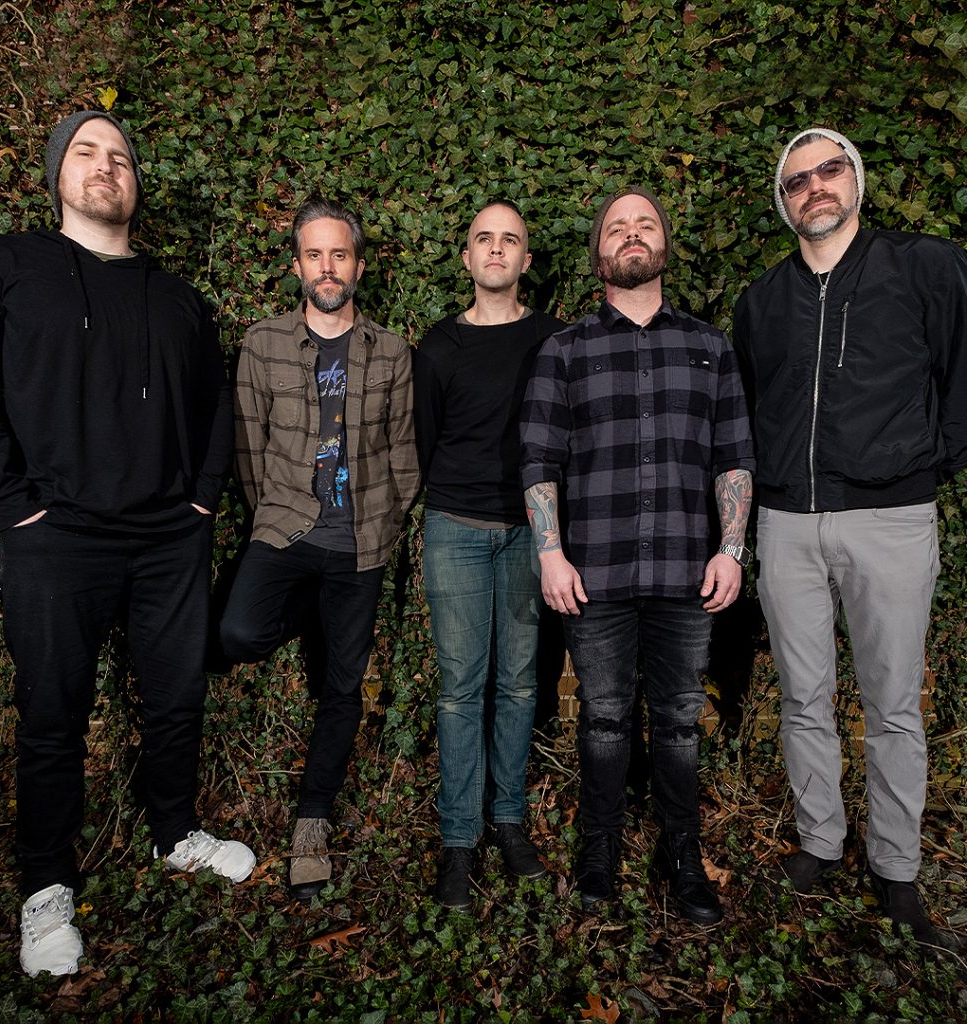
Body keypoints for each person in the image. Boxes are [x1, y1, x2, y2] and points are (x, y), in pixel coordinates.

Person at [0, 110, 255, 979]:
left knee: (177, 695)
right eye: (86, 151)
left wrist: (200, 504)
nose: (106, 166)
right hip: (55, 534)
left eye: (120, 156)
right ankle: (46, 887)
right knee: (52, 713)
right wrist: (13, 509)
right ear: (57, 174)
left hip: (168, 537)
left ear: (136, 183)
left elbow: (217, 406)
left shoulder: (179, 298)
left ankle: (174, 832)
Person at [733, 127, 967, 945]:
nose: (815, 187)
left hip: (889, 518)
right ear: (784, 202)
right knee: (803, 696)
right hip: (788, 522)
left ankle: (896, 868)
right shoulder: (762, 300)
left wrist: (931, 463)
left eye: (830, 169)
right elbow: (752, 403)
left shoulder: (924, 267)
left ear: (856, 180)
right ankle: (821, 841)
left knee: (893, 703)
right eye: (797, 180)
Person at [520, 187, 754, 923]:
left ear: (662, 245)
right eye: (617, 227)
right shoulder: (564, 350)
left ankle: (683, 856)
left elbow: (734, 458)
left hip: (687, 570)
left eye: (644, 224)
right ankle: (600, 849)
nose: (631, 234)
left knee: (680, 719)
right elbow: (539, 460)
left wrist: (732, 549)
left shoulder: (711, 347)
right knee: (604, 716)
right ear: (599, 254)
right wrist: (551, 554)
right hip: (596, 571)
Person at [220, 195, 419, 902]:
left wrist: (387, 525)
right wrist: (271, 517)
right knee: (238, 633)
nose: (327, 267)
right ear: (297, 265)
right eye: (315, 255)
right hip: (285, 531)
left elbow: (404, 452)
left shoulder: (391, 351)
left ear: (358, 266)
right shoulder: (262, 343)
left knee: (342, 685)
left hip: (361, 544)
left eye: (340, 254)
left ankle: (312, 819)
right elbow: (248, 446)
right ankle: (306, 608)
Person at [414, 200, 564, 909]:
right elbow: (425, 440)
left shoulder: (555, 341)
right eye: (484, 238)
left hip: (532, 534)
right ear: (468, 257)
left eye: (510, 240)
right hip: (456, 530)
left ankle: (508, 821)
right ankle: (458, 838)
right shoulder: (439, 346)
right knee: (458, 688)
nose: (497, 249)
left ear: (526, 260)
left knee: (520, 685)